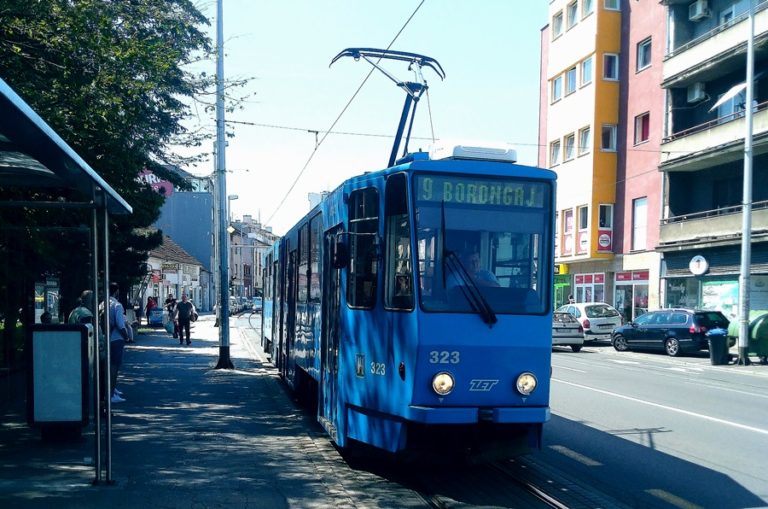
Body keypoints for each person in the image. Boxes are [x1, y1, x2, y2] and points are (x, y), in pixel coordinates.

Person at [107, 282, 130, 403]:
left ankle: (112, 390)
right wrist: (127, 337)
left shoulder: (102, 304)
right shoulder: (117, 305)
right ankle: (111, 394)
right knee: (114, 367)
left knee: (108, 366)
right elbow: (120, 325)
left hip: (106, 338)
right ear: (116, 292)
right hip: (116, 339)